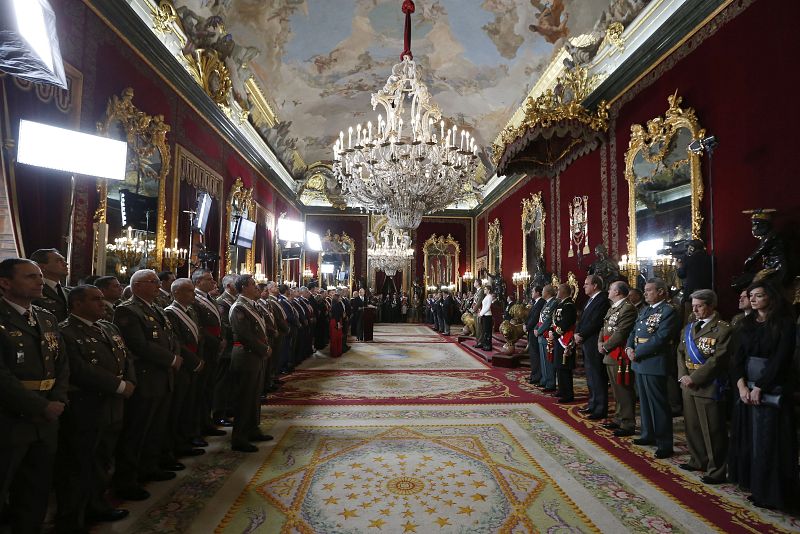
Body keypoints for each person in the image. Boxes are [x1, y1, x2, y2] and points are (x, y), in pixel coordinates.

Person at [55, 285, 134, 531]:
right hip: (87, 405)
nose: (102, 303)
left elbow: (126, 356)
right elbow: (79, 369)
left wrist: (130, 382)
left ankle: (97, 505)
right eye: (95, 299)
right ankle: (72, 518)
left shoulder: (108, 327)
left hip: (112, 405)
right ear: (77, 304)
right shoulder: (65, 331)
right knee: (79, 464)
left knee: (103, 459)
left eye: (102, 299)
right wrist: (119, 386)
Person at [0, 258, 69, 532]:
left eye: (40, 276)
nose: (40, 281)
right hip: (11, 417)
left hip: (48, 415)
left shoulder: (46, 317)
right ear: (5, 283)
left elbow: (62, 364)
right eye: (30, 277)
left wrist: (59, 399)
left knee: (37, 485)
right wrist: (39, 406)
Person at [112, 269, 181, 501]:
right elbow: (139, 345)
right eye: (153, 283)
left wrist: (174, 356)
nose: (158, 287)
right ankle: (127, 480)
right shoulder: (127, 310)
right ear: (138, 285)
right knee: (137, 430)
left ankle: (149, 467)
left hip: (162, 376)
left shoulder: (156, 309)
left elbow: (170, 338)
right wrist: (171, 359)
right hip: (146, 376)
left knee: (155, 426)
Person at [728, 282, 798, 510]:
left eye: (759, 295)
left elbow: (781, 359)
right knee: (750, 440)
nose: (754, 299)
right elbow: (737, 359)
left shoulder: (784, 323)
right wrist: (741, 387)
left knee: (769, 442)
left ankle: (771, 493)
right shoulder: (745, 324)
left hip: (772, 388)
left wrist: (761, 387)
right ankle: (754, 487)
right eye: (752, 296)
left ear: (771, 297)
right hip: (746, 388)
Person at [676, 289, 731, 485]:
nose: (695, 310)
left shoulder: (723, 329)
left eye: (699, 306)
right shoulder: (689, 327)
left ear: (711, 305)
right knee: (692, 426)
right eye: (693, 306)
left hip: (708, 385)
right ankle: (697, 459)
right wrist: (683, 375)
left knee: (713, 430)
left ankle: (716, 470)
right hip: (687, 384)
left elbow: (718, 360)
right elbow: (680, 352)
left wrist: (695, 378)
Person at [626, 278, 677, 459]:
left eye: (649, 290)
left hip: (654, 362)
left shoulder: (668, 311)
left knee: (658, 404)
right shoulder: (646, 310)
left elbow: (660, 338)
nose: (645, 293)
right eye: (645, 290)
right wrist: (629, 347)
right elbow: (633, 331)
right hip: (639, 361)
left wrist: (637, 352)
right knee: (645, 402)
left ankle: (664, 443)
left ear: (661, 292)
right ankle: (648, 434)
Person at [228, 275, 273, 452]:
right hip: (246, 356)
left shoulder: (252, 305)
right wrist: (263, 349)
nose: (257, 288)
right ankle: (239, 437)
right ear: (245, 287)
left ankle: (253, 429)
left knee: (254, 396)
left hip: (255, 355)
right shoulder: (239, 307)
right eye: (253, 285)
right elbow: (244, 335)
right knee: (244, 397)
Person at [164, 279, 206, 459]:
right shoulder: (171, 313)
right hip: (184, 365)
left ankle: (187, 439)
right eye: (189, 291)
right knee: (179, 407)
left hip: (195, 362)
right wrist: (194, 361)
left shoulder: (191, 311)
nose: (193, 294)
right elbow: (177, 342)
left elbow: (198, 335)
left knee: (191, 403)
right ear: (177, 293)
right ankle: (177, 444)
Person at [600, 281, 638, 437]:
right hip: (610, 351)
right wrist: (600, 342)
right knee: (615, 389)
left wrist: (606, 346)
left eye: (610, 288)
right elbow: (605, 327)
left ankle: (628, 422)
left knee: (623, 389)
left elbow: (621, 332)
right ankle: (618, 417)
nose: (608, 291)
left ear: (617, 292)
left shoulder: (627, 308)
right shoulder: (613, 307)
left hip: (619, 353)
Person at [191, 269, 226, 437]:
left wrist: (222, 338)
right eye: (209, 279)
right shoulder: (195, 300)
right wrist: (217, 341)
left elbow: (219, 322)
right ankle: (198, 425)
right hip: (205, 348)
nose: (213, 282)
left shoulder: (209, 298)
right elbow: (199, 327)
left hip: (214, 347)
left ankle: (207, 421)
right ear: (198, 282)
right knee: (201, 390)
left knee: (209, 387)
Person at [575, 275, 610, 419]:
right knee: (590, 375)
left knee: (597, 375)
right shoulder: (591, 300)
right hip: (587, 341)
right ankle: (592, 403)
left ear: (595, 285)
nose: (584, 286)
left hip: (594, 340)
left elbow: (596, 322)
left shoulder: (602, 300)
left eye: (586, 284)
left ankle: (600, 408)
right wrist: (578, 332)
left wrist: (581, 334)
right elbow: (583, 319)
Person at [213, 274, 238, 427]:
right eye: (237, 283)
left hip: (233, 346)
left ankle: (229, 408)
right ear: (229, 286)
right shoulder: (222, 301)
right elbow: (224, 324)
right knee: (222, 382)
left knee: (230, 381)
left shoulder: (233, 300)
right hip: (227, 347)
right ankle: (219, 413)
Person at [551, 284, 577, 403]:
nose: (557, 291)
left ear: (564, 292)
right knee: (558, 365)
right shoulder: (561, 304)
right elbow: (556, 321)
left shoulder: (569, 306)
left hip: (565, 339)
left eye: (559, 290)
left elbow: (566, 323)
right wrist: (552, 332)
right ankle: (561, 389)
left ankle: (568, 394)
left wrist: (555, 334)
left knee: (565, 366)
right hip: (559, 338)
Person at [30, 248, 71, 321]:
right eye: (59, 261)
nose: (66, 263)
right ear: (42, 267)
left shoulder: (69, 292)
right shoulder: (33, 291)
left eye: (64, 260)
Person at [534, 285, 559, 392]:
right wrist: (536, 328)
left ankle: (550, 383)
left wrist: (539, 331)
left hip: (546, 335)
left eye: (543, 291)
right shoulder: (546, 303)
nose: (541, 292)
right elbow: (540, 318)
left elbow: (548, 320)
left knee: (548, 360)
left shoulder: (554, 303)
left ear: (547, 292)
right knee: (543, 359)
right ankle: (544, 380)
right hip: (541, 334)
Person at [524, 286, 545, 384]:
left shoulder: (541, 303)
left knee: (535, 355)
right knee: (532, 355)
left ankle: (537, 376)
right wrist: (525, 324)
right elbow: (530, 316)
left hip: (535, 331)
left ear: (538, 293)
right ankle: (533, 375)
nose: (531, 293)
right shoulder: (536, 302)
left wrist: (527, 327)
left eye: (533, 291)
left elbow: (536, 318)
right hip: (531, 331)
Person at [477, 286, 494, 351]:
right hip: (484, 315)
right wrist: (480, 313)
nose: (484, 290)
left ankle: (488, 346)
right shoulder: (486, 296)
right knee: (485, 331)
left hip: (488, 316)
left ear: (489, 290)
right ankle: (485, 344)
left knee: (487, 331)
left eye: (485, 289)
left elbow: (488, 307)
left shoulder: (490, 296)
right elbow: (484, 307)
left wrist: (481, 314)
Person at [329, 292, 345, 358]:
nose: (341, 298)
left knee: (338, 337)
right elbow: (336, 315)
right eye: (339, 297)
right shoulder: (336, 305)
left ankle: (338, 352)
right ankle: (335, 353)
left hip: (337, 321)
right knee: (335, 338)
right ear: (337, 298)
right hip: (335, 321)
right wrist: (338, 323)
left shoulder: (337, 304)